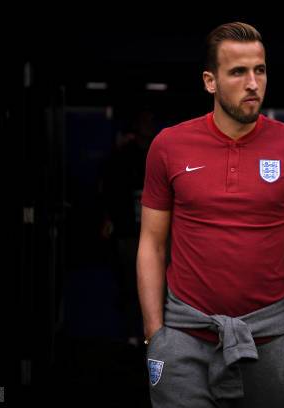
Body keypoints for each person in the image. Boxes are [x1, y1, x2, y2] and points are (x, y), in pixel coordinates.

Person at [138, 22, 284, 408]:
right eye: (238, 72)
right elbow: (151, 245)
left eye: (260, 69)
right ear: (210, 81)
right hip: (184, 337)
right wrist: (156, 336)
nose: (253, 82)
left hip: (270, 340)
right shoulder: (169, 145)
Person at [100, 109, 157, 346]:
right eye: (143, 122)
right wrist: (109, 219)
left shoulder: (157, 154)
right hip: (129, 230)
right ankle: (133, 333)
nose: (147, 127)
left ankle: (150, 332)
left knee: (153, 284)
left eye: (149, 122)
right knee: (130, 282)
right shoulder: (123, 155)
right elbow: (110, 190)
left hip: (153, 231)